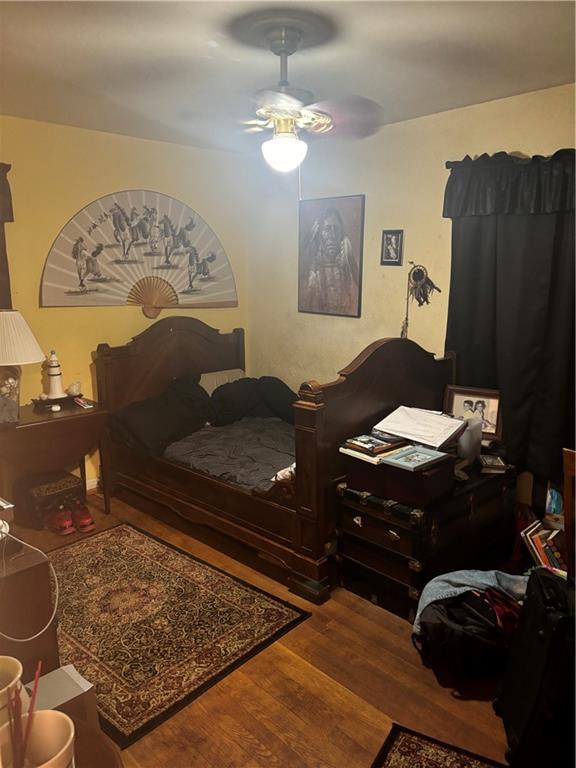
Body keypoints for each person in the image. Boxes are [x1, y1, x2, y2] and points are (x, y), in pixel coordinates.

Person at [300, 207, 358, 315]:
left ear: (341, 233)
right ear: (319, 233)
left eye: (336, 229)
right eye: (327, 229)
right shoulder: (311, 269)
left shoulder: (349, 266)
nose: (333, 235)